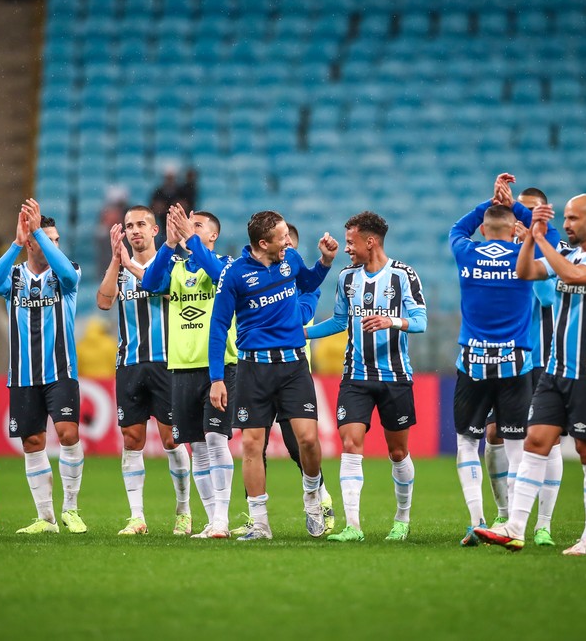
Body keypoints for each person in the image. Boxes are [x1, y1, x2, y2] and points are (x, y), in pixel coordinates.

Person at [477, 194, 586, 556]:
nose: (569, 224)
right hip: (555, 370)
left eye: (574, 218)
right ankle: (516, 525)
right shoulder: (569, 255)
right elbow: (524, 271)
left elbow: (574, 276)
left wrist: (541, 237)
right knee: (535, 442)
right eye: (567, 218)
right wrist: (530, 237)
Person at [208, 210, 338, 540]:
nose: (289, 242)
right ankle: (260, 523)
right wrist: (216, 378)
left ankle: (312, 497)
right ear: (263, 243)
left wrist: (324, 261)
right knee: (252, 445)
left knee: (308, 439)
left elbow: (307, 281)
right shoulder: (234, 275)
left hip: (294, 365)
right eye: (282, 237)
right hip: (254, 368)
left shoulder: (289, 259)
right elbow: (218, 327)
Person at [449, 175, 557, 548]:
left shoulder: (466, 251)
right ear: (514, 229)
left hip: (473, 363)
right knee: (516, 447)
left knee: (467, 442)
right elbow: (552, 240)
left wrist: (490, 202)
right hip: (516, 365)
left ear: (482, 228)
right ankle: (513, 525)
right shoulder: (525, 257)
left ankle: (476, 521)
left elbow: (457, 227)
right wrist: (517, 207)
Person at [306, 211, 426, 542]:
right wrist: (301, 332)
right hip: (356, 377)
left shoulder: (403, 275)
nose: (347, 249)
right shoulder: (347, 278)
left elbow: (421, 321)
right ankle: (353, 526)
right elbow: (338, 322)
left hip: (395, 377)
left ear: (369, 241)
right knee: (350, 444)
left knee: (398, 452)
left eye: (350, 242)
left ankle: (402, 519)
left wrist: (394, 322)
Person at [0, 199, 87, 534]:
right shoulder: (14, 277)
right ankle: (46, 518)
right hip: (24, 374)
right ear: (30, 242)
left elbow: (70, 275)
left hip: (61, 370)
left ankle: (71, 508)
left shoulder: (65, 274)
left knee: (68, 433)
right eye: (47, 239)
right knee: (32, 442)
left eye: (57, 240)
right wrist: (17, 242)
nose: (54, 244)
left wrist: (39, 234)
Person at [140, 204, 237, 538]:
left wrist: (189, 238)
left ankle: (222, 517)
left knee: (215, 437)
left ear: (213, 235)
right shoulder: (177, 268)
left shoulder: (226, 266)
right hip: (180, 367)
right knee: (196, 445)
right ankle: (212, 521)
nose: (187, 230)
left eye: (196, 226)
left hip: (218, 367)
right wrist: (168, 244)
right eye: (185, 225)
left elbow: (212, 270)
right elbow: (151, 283)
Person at [97, 205, 192, 536]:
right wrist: (115, 260)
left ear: (155, 231)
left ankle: (183, 511)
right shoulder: (120, 269)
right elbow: (105, 301)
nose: (134, 230)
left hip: (168, 362)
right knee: (132, 438)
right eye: (128, 226)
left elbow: (163, 288)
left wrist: (130, 265)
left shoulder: (173, 263)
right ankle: (136, 516)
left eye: (141, 224)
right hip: (130, 364)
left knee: (171, 438)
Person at [514, 187, 564, 547]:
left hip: (544, 357)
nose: (529, 217)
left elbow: (547, 297)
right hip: (510, 356)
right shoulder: (506, 249)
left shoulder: (557, 250)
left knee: (549, 441)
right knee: (500, 435)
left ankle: (543, 524)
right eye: (523, 211)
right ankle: (508, 516)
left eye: (535, 211)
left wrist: (527, 247)